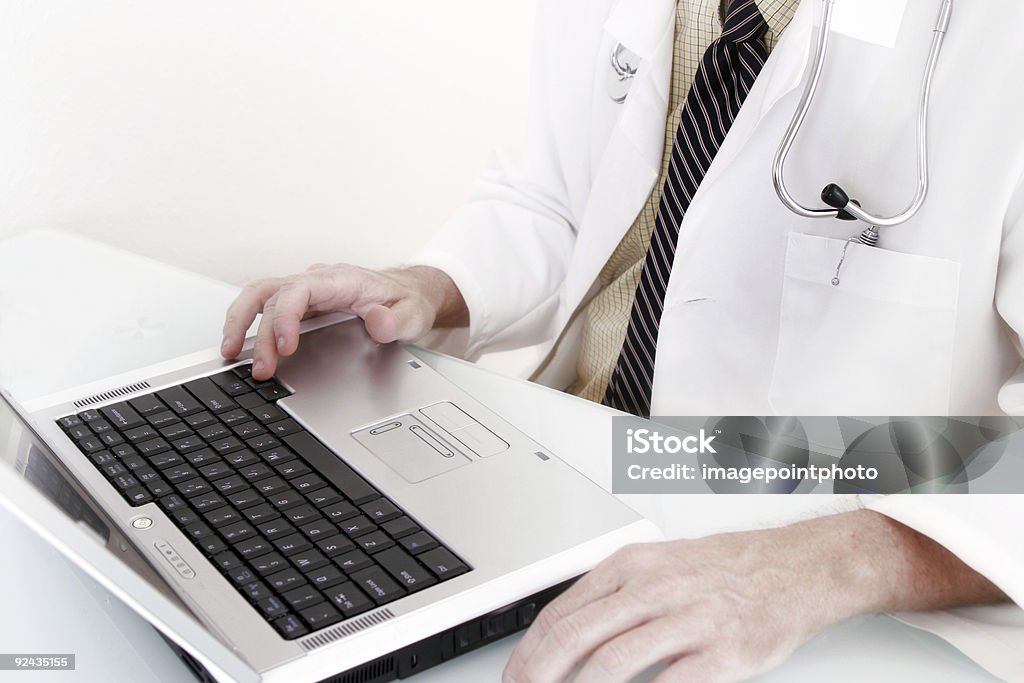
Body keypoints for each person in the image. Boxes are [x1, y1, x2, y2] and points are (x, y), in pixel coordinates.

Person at [221, 0, 1024, 680]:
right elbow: (554, 194)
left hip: (810, 562)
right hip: (557, 476)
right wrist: (430, 286)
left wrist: (832, 563)